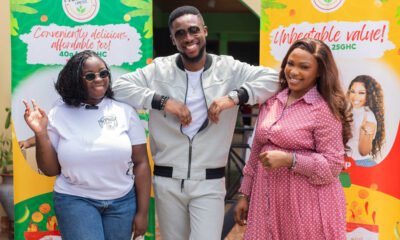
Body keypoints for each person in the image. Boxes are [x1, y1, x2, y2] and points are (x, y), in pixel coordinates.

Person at [112, 5, 278, 240]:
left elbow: (274, 79)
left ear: (205, 31)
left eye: (193, 30)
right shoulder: (160, 69)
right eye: (180, 33)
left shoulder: (228, 67)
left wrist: (232, 98)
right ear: (172, 39)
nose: (188, 38)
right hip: (167, 180)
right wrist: (163, 101)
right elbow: (119, 88)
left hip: (210, 181)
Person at [23, 50, 151, 240]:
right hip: (75, 199)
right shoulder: (59, 112)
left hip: (123, 202)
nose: (99, 79)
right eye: (90, 76)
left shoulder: (125, 111)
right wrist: (40, 133)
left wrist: (143, 213)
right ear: (75, 79)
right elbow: (50, 169)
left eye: (103, 73)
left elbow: (141, 163)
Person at [234, 38, 352, 239]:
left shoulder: (323, 110)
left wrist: (291, 160)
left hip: (306, 205)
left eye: (304, 67)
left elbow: (333, 166)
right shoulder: (273, 100)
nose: (294, 72)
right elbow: (256, 150)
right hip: (267, 201)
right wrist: (244, 194)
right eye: (290, 63)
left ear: (320, 72)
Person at [346, 75, 385, 167]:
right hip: (346, 162)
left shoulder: (368, 117)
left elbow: (363, 151)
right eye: (353, 91)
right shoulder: (350, 110)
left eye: (361, 93)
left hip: (360, 163)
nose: (355, 97)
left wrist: (366, 133)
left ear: (369, 95)